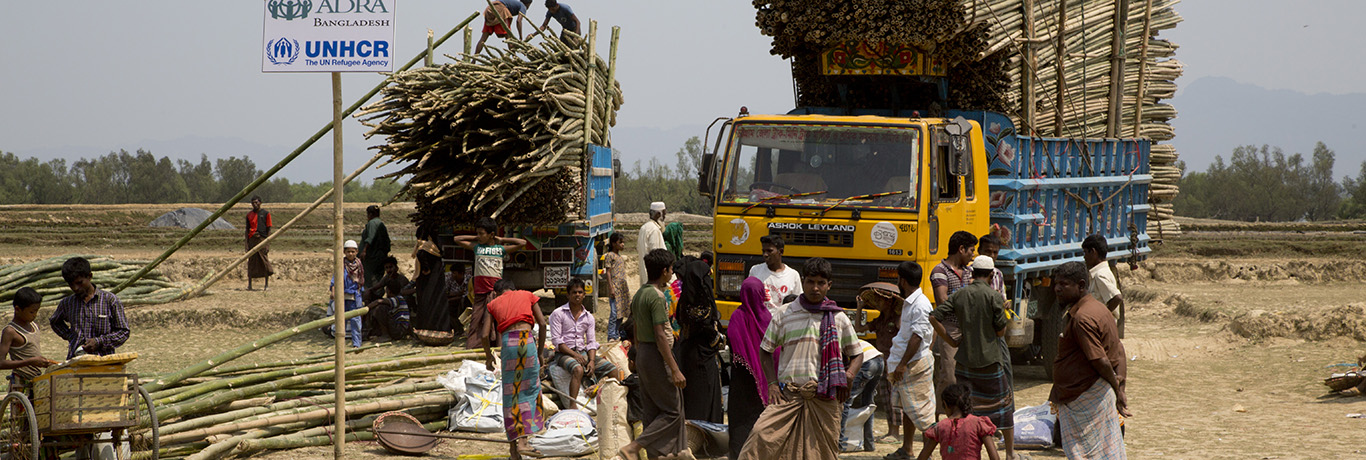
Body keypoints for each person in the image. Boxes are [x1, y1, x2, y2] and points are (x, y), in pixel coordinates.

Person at [738, 257, 864, 460]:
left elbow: (857, 353)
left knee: (821, 453)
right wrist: (771, 383)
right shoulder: (784, 313)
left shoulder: (838, 318)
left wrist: (849, 375)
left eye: (821, 283)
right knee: (760, 438)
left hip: (824, 398)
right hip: (789, 395)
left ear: (829, 285)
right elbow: (765, 350)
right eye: (811, 282)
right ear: (802, 281)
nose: (815, 288)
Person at [930, 255, 1015, 460]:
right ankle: (1010, 454)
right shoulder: (994, 296)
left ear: (973, 272)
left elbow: (934, 317)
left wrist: (950, 341)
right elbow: (1001, 332)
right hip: (990, 362)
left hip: (965, 363)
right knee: (1004, 406)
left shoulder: (960, 295)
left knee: (967, 409)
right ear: (992, 274)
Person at [1049, 261, 1129, 459]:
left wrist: (1118, 389)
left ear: (1082, 285)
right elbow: (1119, 349)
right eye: (1056, 283)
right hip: (1090, 393)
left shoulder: (1082, 318)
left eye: (1064, 284)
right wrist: (1119, 385)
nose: (1057, 289)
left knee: (1087, 453)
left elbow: (1100, 360)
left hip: (1086, 395)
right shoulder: (1100, 309)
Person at [617, 249, 690, 460]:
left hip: (644, 354)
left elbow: (637, 329)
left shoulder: (640, 293)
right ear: (665, 271)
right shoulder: (657, 297)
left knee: (651, 411)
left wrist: (639, 355)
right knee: (673, 411)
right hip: (658, 355)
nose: (671, 275)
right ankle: (634, 447)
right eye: (670, 270)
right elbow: (660, 335)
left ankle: (658, 455)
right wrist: (674, 369)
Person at [482, 279, 549, 460]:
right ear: (513, 288)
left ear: (496, 293)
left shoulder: (492, 304)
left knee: (511, 396)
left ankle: (514, 451)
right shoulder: (527, 295)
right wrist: (541, 352)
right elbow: (542, 324)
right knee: (529, 391)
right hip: (527, 343)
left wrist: (489, 357)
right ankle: (523, 442)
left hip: (509, 346)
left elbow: (484, 335)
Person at [885, 261, 938, 460]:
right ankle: (907, 449)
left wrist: (903, 364)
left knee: (924, 413)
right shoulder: (910, 302)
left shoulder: (920, 304)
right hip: (908, 363)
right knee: (909, 408)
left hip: (913, 365)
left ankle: (927, 454)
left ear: (903, 280)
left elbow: (918, 336)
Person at [455, 217, 528, 349]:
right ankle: (474, 346)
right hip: (480, 292)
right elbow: (457, 239)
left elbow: (522, 242)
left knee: (498, 320)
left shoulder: (500, 249)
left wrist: (502, 240)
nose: (479, 236)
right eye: (477, 233)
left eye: (481, 233)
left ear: (491, 234)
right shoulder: (477, 248)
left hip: (496, 292)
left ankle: (499, 347)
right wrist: (476, 238)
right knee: (476, 320)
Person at [549, 279, 618, 408]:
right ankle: (573, 405)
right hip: (563, 354)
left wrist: (591, 360)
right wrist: (574, 355)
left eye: (580, 292)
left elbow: (591, 342)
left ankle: (612, 401)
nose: (577, 295)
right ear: (568, 295)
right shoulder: (558, 314)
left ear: (584, 295)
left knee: (613, 370)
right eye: (574, 292)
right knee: (578, 369)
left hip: (583, 353)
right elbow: (557, 341)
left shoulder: (588, 317)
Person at [727, 277, 772, 460]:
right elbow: (775, 350)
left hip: (741, 379)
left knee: (739, 423)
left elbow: (733, 345)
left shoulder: (737, 316)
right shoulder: (767, 317)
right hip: (766, 381)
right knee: (761, 422)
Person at [675, 254, 724, 423]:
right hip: (701, 357)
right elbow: (708, 330)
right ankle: (703, 432)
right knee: (704, 395)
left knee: (695, 395)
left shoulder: (685, 301)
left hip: (689, 352)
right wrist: (719, 339)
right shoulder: (700, 305)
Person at [852, 282, 903, 445]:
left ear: (888, 301)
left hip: (893, 361)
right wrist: (859, 308)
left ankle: (895, 432)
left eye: (880, 300)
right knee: (885, 395)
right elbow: (859, 328)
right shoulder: (880, 319)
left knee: (893, 396)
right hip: (882, 361)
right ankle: (891, 431)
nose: (877, 303)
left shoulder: (897, 319)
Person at [51, 257, 130, 359]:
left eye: (79, 283)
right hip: (76, 361)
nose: (75, 288)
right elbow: (55, 322)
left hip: (104, 361)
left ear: (89, 276)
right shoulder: (67, 303)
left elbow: (123, 332)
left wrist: (99, 342)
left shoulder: (110, 300)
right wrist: (71, 336)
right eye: (71, 284)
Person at [930, 231, 977, 401]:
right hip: (949, 329)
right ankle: (940, 413)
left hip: (968, 329)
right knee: (949, 375)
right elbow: (943, 301)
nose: (973, 255)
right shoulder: (940, 271)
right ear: (961, 249)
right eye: (971, 250)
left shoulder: (970, 271)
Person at [915, 384, 1002, 460]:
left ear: (945, 404)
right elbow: (995, 458)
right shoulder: (978, 423)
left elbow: (923, 457)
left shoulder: (939, 427)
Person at [1, 288, 56, 395]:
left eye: (36, 311)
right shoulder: (10, 331)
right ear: (17, 309)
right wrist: (30, 361)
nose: (35, 315)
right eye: (32, 311)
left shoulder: (34, 326)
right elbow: (1, 363)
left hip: (36, 379)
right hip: (21, 382)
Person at [840, 339, 885, 452]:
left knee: (845, 401)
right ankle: (869, 444)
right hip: (879, 361)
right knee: (868, 403)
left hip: (866, 362)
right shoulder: (849, 337)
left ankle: (838, 444)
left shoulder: (837, 341)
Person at [409, 229, 452, 339]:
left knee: (425, 303)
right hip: (437, 280)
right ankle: (440, 328)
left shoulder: (424, 245)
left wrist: (426, 268)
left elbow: (420, 254)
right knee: (438, 303)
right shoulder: (434, 247)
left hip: (426, 281)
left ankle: (424, 328)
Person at [747, 235, 802, 317]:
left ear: (781, 251)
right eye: (763, 251)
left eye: (769, 251)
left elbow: (798, 304)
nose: (765, 255)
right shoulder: (755, 271)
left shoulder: (793, 275)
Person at [328, 240, 365, 348]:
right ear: (344, 252)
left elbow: (361, 281)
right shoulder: (341, 265)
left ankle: (356, 344)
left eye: (353, 252)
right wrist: (334, 292)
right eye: (348, 251)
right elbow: (335, 279)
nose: (350, 254)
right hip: (342, 296)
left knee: (355, 320)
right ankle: (340, 344)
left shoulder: (359, 265)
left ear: (356, 252)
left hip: (355, 295)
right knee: (340, 320)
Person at [364, 256, 411, 341]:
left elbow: (404, 294)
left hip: (398, 306)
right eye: (387, 268)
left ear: (396, 268)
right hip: (391, 303)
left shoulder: (402, 279)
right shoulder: (387, 278)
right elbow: (376, 287)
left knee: (380, 308)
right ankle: (370, 327)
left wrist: (367, 308)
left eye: (391, 267)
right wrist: (368, 292)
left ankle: (385, 334)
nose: (389, 270)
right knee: (370, 296)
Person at [1082, 234, 1124, 319]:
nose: (1084, 257)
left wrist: (1101, 318)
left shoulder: (1100, 275)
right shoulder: (1101, 272)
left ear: (1093, 252)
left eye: (1085, 252)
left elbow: (1117, 297)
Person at [603, 232, 630, 341]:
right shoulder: (610, 256)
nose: (623, 244)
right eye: (620, 242)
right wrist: (611, 288)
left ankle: (617, 333)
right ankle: (611, 335)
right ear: (614, 244)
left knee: (621, 312)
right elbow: (608, 272)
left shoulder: (619, 257)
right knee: (614, 313)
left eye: (623, 242)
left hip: (621, 287)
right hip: (615, 286)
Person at [244, 196, 274, 291]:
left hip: (262, 239)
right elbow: (246, 230)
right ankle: (250, 285)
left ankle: (266, 285)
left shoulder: (266, 214)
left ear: (260, 203)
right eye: (253, 203)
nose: (254, 204)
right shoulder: (249, 215)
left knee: (263, 260)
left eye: (256, 202)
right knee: (251, 261)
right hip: (252, 239)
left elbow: (269, 229)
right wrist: (246, 244)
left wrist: (267, 243)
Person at [359, 205, 391, 290]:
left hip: (372, 258)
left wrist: (364, 250)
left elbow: (370, 237)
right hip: (379, 257)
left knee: (370, 278)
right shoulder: (380, 223)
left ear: (370, 214)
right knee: (377, 278)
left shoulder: (372, 223)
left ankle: (371, 295)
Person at [637, 202, 668, 285]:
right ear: (658, 214)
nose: (664, 217)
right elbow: (656, 256)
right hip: (653, 279)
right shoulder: (654, 230)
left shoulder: (644, 227)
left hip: (646, 275)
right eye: (664, 214)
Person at [446, 263, 472, 336]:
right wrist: (458, 294)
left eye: (454, 273)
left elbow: (465, 295)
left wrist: (456, 296)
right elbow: (445, 293)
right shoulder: (449, 279)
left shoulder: (469, 279)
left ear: (461, 273)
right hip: (452, 301)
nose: (453, 275)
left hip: (464, 301)